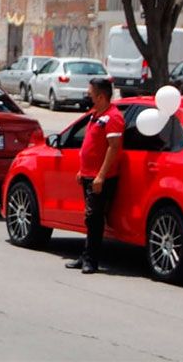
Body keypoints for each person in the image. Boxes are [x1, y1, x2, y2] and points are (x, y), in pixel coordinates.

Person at [66, 78, 124, 274]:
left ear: (101, 96)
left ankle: (91, 259)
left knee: (94, 218)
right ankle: (85, 255)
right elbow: (91, 145)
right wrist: (83, 170)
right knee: (89, 218)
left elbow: (113, 148)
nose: (87, 95)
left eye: (90, 93)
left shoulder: (113, 117)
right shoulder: (95, 115)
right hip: (88, 175)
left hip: (100, 178)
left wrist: (100, 176)